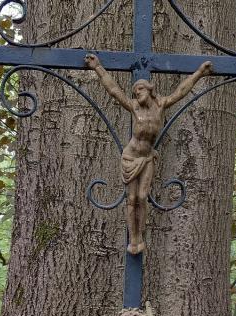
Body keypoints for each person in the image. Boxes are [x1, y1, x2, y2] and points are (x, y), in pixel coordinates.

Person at [85, 54, 213, 254]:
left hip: (146, 157)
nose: (137, 94)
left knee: (142, 197)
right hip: (130, 157)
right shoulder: (134, 107)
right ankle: (133, 238)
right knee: (131, 199)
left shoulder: (161, 104)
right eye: (135, 92)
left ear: (150, 89)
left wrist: (199, 73)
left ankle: (140, 236)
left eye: (140, 89)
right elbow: (113, 90)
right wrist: (97, 67)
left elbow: (181, 91)